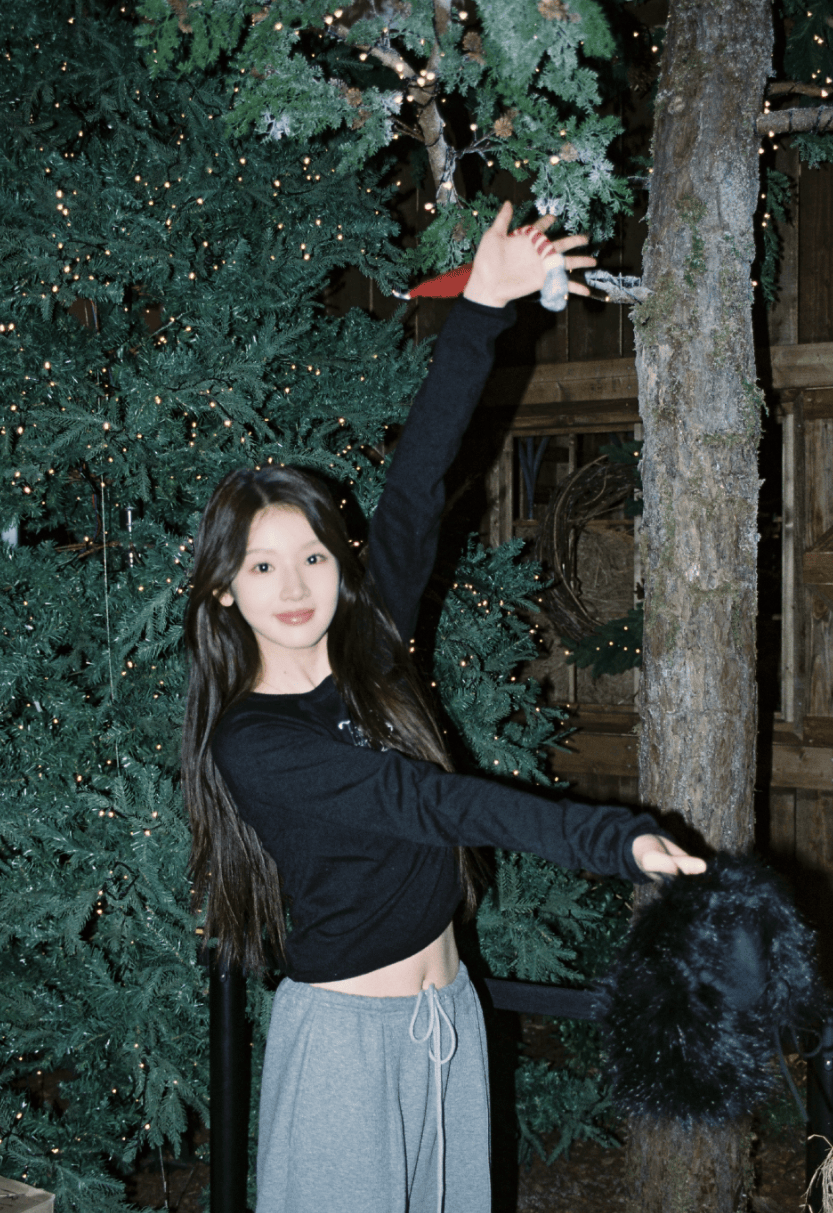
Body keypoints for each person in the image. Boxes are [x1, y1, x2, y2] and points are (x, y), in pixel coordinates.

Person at [182, 202, 705, 1213]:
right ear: (225, 591)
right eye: (261, 566)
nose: (294, 586)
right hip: (344, 1046)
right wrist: (611, 838)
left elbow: (418, 485)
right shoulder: (253, 740)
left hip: (448, 1017)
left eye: (313, 557)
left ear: (341, 568)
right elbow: (427, 803)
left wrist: (483, 308)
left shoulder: (369, 649)